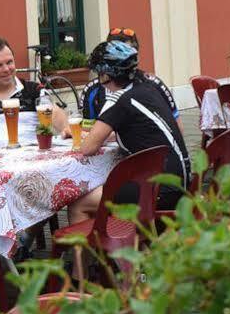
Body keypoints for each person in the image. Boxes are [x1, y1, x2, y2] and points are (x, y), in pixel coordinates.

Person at [67, 40, 190, 225]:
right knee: (111, 187)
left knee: (79, 204)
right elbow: (141, 129)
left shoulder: (117, 99)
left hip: (160, 189)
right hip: (182, 179)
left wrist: (81, 134)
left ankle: (102, 250)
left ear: (105, 75)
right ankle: (128, 242)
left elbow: (87, 148)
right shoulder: (148, 87)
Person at [0, 37, 65, 154]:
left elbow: (55, 113)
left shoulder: (35, 90)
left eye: (9, 62)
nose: (6, 69)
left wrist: (66, 128)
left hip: (30, 163)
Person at [78, 27, 181, 130]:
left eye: (128, 54)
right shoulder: (92, 89)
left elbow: (176, 126)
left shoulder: (153, 85)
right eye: (115, 54)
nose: (123, 59)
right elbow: (86, 128)